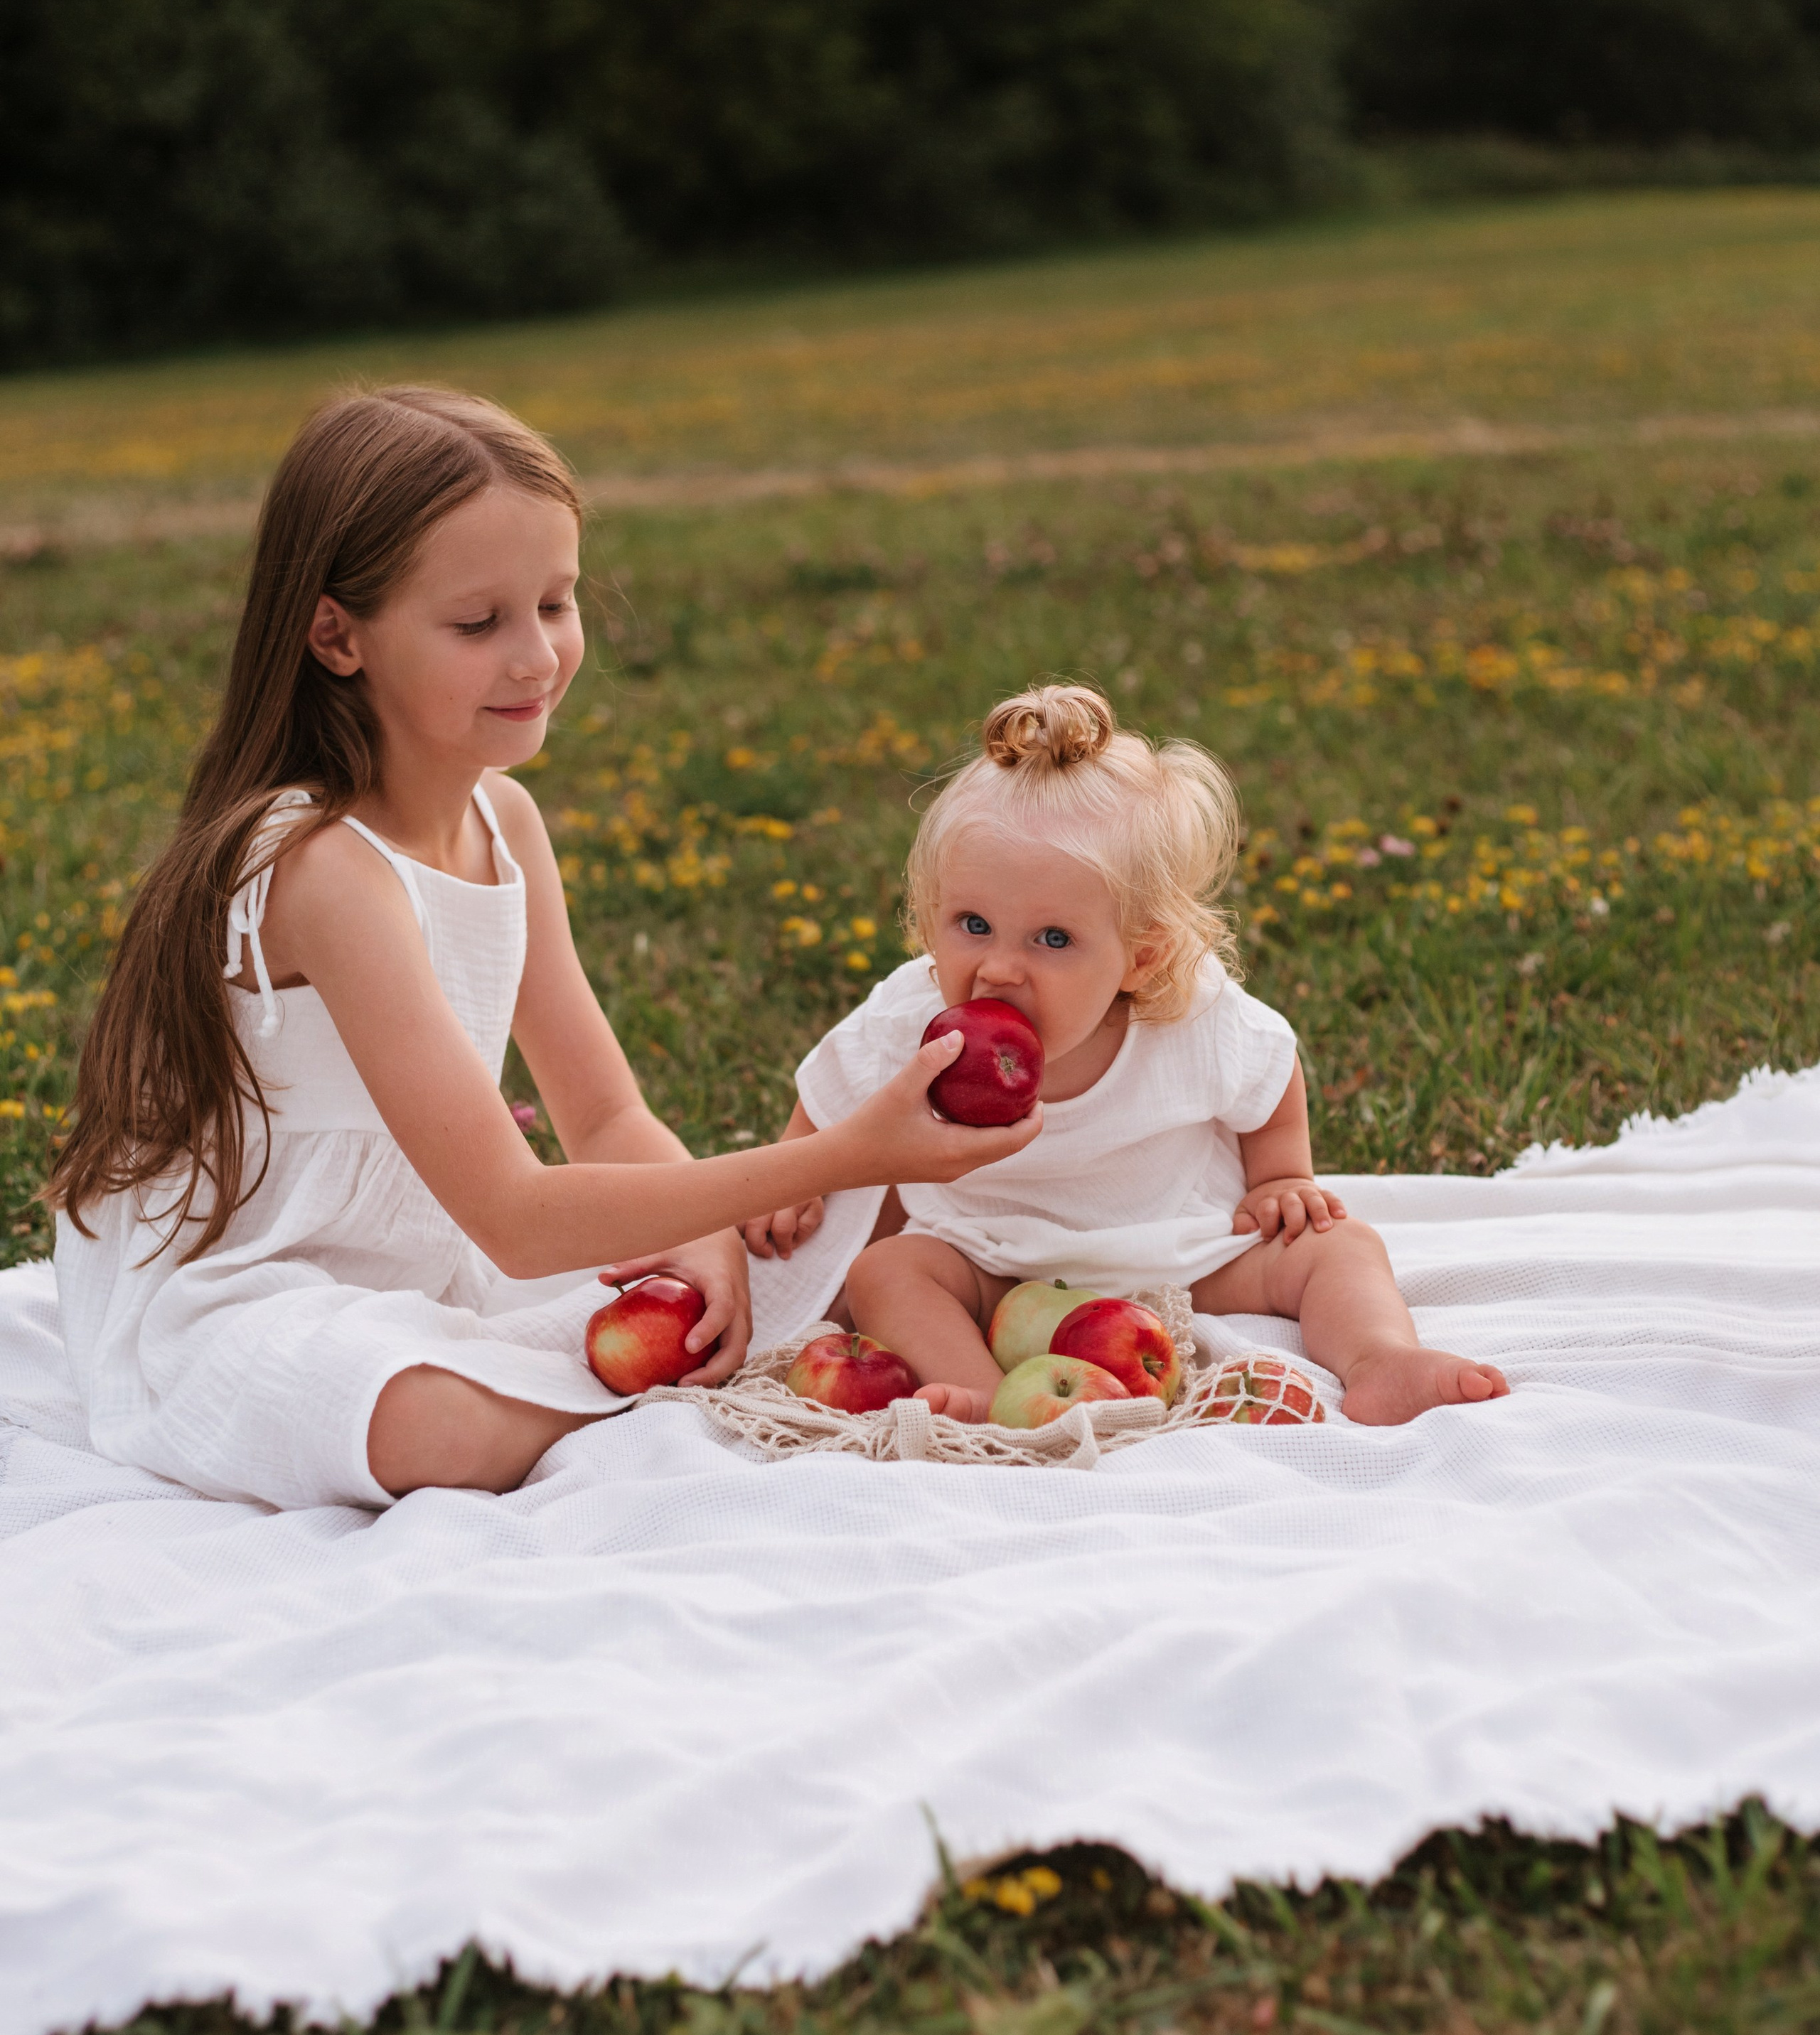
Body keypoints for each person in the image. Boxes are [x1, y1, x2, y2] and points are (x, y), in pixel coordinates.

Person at [48, 387, 1036, 1507]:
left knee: (775, 1260)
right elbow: (519, 1221)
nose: (538, 658)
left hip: (433, 1266)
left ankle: (615, 1373)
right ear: (337, 635)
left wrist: (711, 1235)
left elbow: (607, 1121)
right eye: (479, 624)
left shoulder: (503, 824)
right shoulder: (322, 870)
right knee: (442, 1433)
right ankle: (603, 1391)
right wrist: (849, 1153)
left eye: (557, 604)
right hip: (249, 1297)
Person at [744, 683, 1510, 1425]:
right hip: (991, 1263)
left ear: (1140, 959)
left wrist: (1281, 1176)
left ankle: (1379, 1360)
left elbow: (1271, 1074)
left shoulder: (1189, 1017)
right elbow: (832, 1084)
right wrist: (793, 1168)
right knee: (889, 1272)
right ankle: (983, 1396)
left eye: (1052, 939)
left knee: (1338, 1245)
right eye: (972, 925)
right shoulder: (916, 1015)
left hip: (1182, 1260)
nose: (1000, 967)